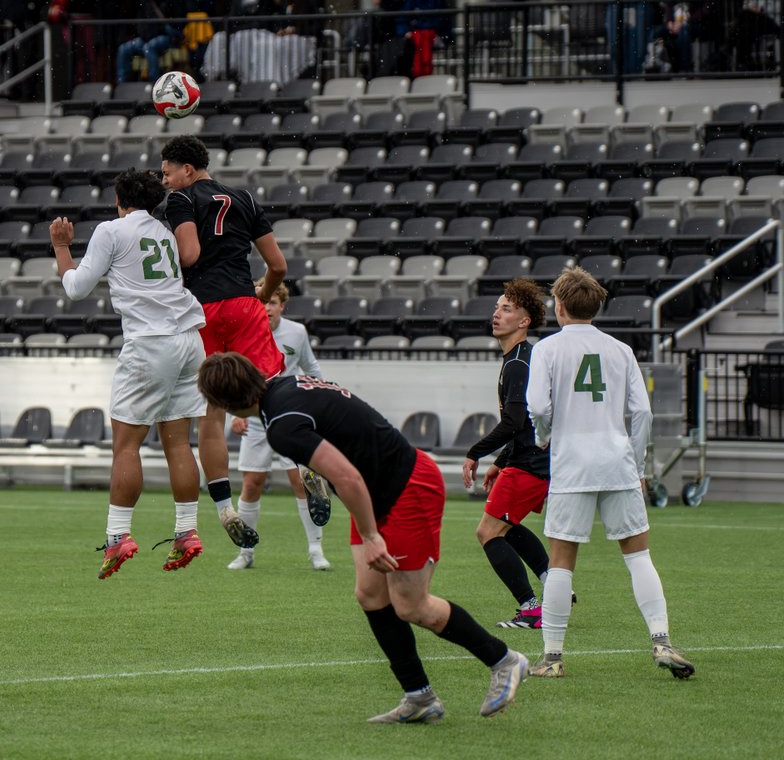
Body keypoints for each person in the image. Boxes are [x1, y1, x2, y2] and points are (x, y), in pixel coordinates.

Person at [197, 352, 528, 723]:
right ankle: (419, 696)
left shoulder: (281, 425)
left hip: (407, 487)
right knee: (370, 594)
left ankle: (504, 660)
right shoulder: (287, 387)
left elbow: (347, 478)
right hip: (376, 492)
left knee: (411, 605)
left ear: (226, 402)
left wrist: (371, 535)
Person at [525, 268, 694, 679]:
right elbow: (643, 413)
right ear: (596, 306)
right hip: (617, 462)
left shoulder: (547, 349)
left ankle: (551, 658)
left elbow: (539, 408)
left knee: (562, 561)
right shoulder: (620, 350)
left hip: (573, 466)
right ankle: (661, 640)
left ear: (559, 307)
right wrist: (635, 465)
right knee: (639, 557)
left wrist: (545, 436)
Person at [49, 170, 208, 579]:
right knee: (177, 443)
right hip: (189, 339)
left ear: (119, 198)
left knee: (126, 445)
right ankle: (186, 531)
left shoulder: (111, 229)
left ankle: (118, 536)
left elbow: (77, 288)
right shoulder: (165, 232)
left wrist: (61, 248)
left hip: (150, 344)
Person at [160, 135, 288, 549]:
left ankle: (223, 507)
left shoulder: (181, 200)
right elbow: (278, 265)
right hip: (244, 303)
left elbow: (190, 255)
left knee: (210, 415)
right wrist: (262, 293)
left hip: (202, 310)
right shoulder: (245, 198)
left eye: (167, 172)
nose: (164, 181)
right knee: (272, 392)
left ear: (188, 171)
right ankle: (304, 460)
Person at [460, 279, 552, 629]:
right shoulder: (523, 357)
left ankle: (531, 609)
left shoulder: (518, 364)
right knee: (507, 526)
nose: (496, 314)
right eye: (497, 307)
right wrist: (500, 461)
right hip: (529, 460)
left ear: (524, 321)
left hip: (530, 463)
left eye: (507, 309)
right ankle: (554, 586)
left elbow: (514, 423)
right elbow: (525, 422)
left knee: (488, 532)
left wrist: (475, 452)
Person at [227, 280, 330, 571]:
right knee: (252, 483)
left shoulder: (297, 333)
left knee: (302, 481)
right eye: (261, 302)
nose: (266, 307)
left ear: (282, 305)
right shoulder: (243, 330)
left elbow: (312, 370)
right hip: (255, 419)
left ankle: (315, 550)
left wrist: (317, 406)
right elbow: (233, 377)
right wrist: (233, 414)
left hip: (291, 418)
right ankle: (246, 552)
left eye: (272, 302)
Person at [115, 0, 190, 84]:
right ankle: (122, 85)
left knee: (150, 47)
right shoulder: (145, 0)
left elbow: (180, 23)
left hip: (169, 38)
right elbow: (140, 23)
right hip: (147, 37)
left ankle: (155, 84)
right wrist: (147, 33)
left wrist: (161, 29)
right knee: (124, 49)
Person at [658, 0, 723, 73]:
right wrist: (669, 21)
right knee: (655, 33)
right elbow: (669, 2)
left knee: (684, 31)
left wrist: (686, 20)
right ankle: (654, 66)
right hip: (677, 22)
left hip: (701, 24)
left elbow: (707, 9)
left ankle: (685, 69)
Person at [396, 0, 450, 78]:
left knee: (422, 38)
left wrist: (416, 25)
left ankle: (421, 74)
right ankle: (414, 75)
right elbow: (402, 19)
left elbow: (439, 22)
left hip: (436, 36)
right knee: (410, 42)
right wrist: (407, 31)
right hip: (418, 36)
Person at [729, 0, 784, 70]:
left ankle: (731, 47)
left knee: (744, 21)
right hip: (756, 19)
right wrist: (752, 7)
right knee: (746, 22)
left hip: (775, 19)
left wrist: (762, 9)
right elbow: (746, 1)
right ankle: (744, 61)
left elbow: (781, 2)